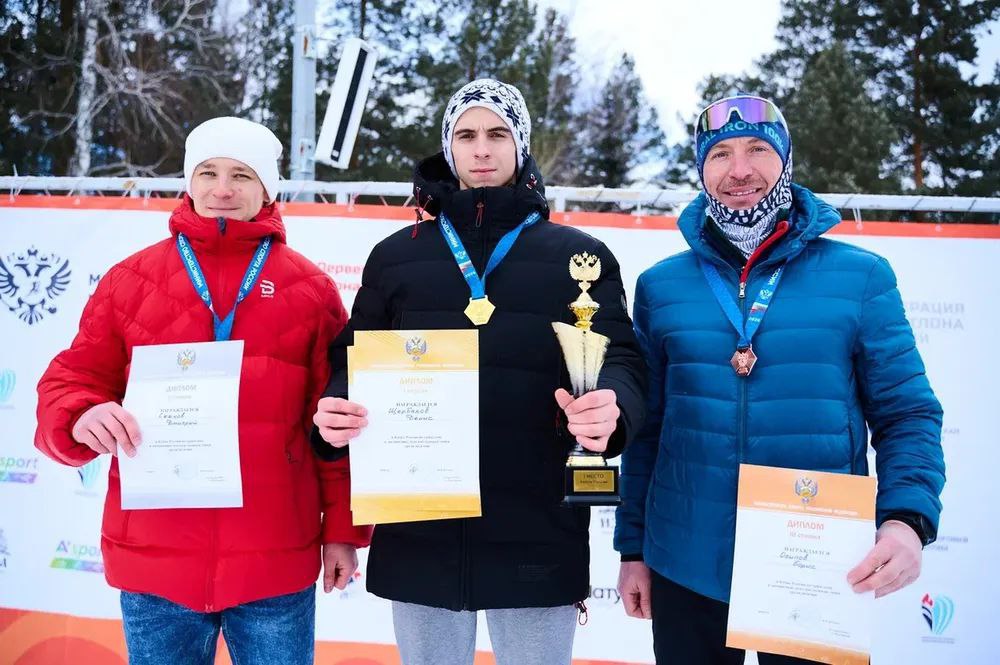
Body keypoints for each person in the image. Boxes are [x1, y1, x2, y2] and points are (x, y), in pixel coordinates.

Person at [311, 78, 646, 665]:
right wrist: (336, 410)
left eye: (498, 134)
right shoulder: (397, 255)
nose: (482, 149)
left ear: (520, 146)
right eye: (466, 135)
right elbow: (352, 358)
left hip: (536, 522)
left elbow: (619, 356)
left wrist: (613, 405)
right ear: (449, 147)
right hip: (422, 527)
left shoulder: (577, 256)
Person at [614, 94, 946, 665]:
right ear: (701, 170)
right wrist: (634, 547)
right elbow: (650, 429)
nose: (739, 169)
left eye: (757, 150)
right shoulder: (661, 286)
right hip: (686, 560)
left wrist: (906, 521)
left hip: (814, 562)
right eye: (720, 153)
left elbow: (906, 413)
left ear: (786, 159)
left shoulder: (860, 276)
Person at [35, 116, 371, 665]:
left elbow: (333, 427)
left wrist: (342, 532)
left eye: (241, 175)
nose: (221, 189)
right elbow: (72, 378)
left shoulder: (310, 291)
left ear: (267, 188)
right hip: (155, 564)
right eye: (207, 172)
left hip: (273, 565)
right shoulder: (130, 281)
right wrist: (79, 415)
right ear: (188, 182)